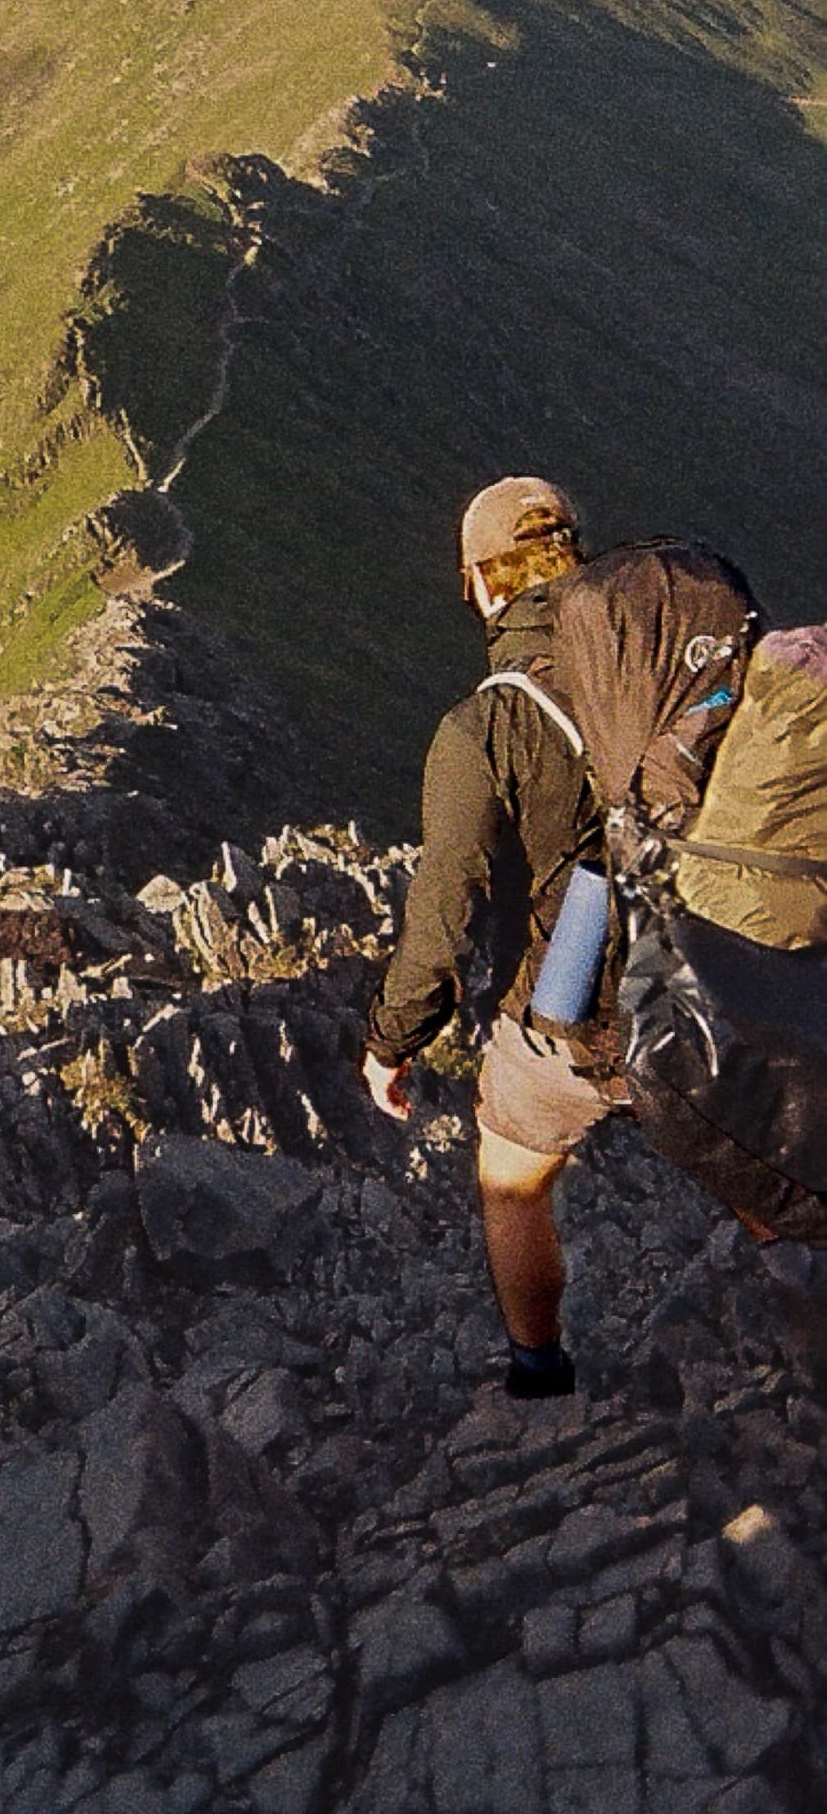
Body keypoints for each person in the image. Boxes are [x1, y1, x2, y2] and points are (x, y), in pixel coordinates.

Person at [361, 477, 627, 1399]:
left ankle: (539, 1372)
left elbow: (446, 905)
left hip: (578, 990)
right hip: (717, 958)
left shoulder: (484, 725)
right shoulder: (654, 660)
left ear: (479, 582)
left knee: (511, 1174)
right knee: (750, 1164)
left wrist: (392, 1042)